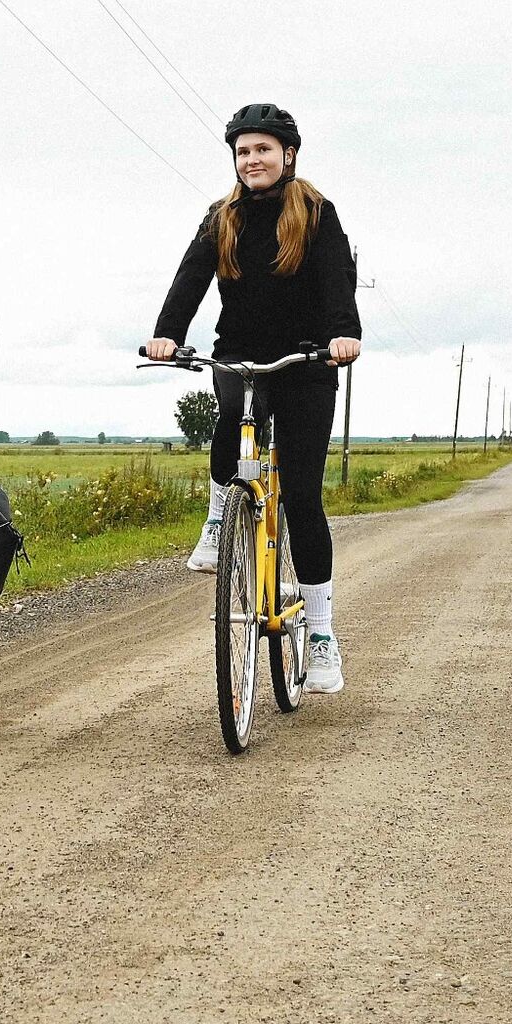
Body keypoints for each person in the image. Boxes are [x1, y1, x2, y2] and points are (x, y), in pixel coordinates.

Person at [143, 103, 361, 693]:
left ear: (288, 155)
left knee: (305, 496)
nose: (252, 160)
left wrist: (344, 334)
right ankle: (221, 517)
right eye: (243, 151)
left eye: (263, 149)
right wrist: (167, 333)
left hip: (307, 362)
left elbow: (337, 278)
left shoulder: (316, 212)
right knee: (230, 419)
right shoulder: (223, 217)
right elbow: (190, 277)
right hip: (240, 354)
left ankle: (321, 635)